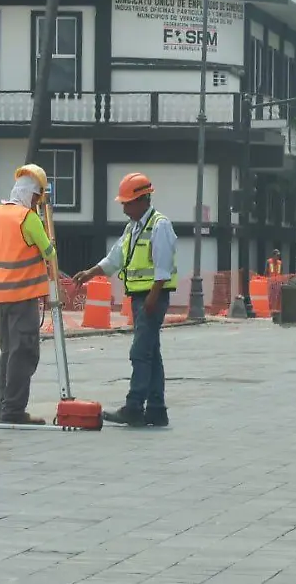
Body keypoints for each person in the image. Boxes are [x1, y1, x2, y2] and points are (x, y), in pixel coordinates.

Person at [73, 172, 176, 427]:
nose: (124, 209)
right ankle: (156, 409)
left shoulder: (159, 225)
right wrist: (89, 273)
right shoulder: (133, 228)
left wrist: (152, 298)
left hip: (153, 296)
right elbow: (114, 259)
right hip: (141, 297)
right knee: (152, 352)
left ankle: (134, 407)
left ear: (142, 199)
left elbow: (163, 268)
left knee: (140, 352)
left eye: (127, 203)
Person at [0, 164, 58, 425]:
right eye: (38, 198)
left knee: (8, 352)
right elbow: (48, 251)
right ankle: (13, 411)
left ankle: (2, 408)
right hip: (24, 294)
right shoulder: (27, 218)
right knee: (24, 352)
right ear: (33, 195)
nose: (38, 203)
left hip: (2, 296)